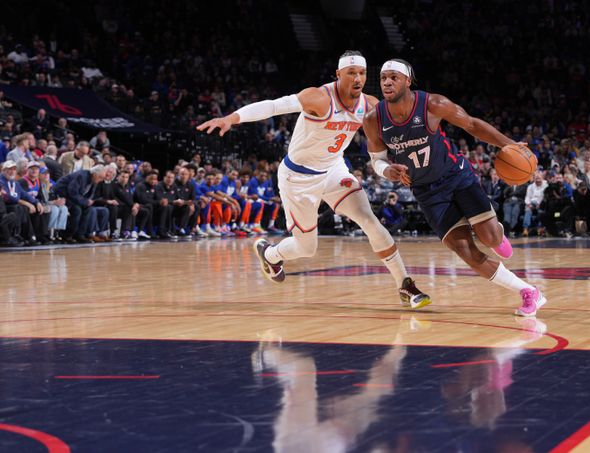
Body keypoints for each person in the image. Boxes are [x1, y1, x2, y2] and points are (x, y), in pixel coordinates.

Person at [197, 51, 430, 309]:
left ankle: (404, 285)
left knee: (369, 220)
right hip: (298, 178)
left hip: (333, 170)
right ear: (338, 75)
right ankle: (271, 254)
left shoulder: (370, 105)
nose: (357, 78)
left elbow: (397, 132)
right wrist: (232, 118)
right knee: (306, 248)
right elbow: (273, 106)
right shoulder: (318, 97)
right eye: (351, 73)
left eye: (362, 73)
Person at [363, 58, 546, 316]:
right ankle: (529, 292)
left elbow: (471, 124)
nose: (387, 82)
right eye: (383, 78)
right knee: (465, 251)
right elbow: (377, 159)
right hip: (427, 192)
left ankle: (496, 233)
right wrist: (387, 170)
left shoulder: (433, 104)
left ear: (407, 80)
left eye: (393, 77)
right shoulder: (374, 119)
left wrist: (509, 144)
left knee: (490, 238)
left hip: (456, 177)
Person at [52, 165, 110, 243]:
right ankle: (67, 235)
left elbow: (89, 195)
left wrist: (87, 202)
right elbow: (72, 192)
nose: (101, 180)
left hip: (74, 198)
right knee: (77, 210)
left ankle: (80, 235)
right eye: (100, 177)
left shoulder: (94, 180)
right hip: (63, 196)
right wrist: (85, 201)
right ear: (95, 174)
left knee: (88, 209)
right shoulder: (81, 176)